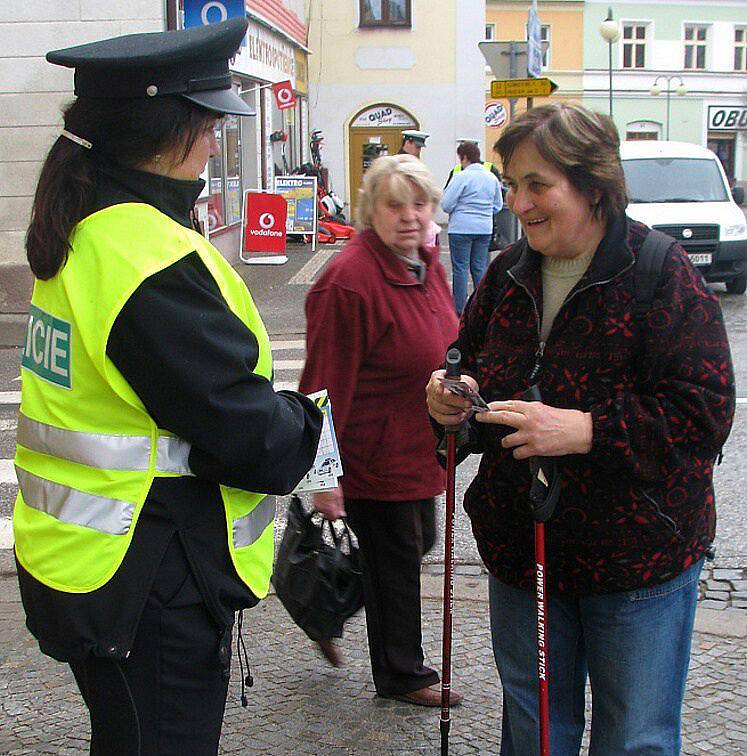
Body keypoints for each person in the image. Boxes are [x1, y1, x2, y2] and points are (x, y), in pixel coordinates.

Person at [14, 19, 322, 754]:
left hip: (95, 565)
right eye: (211, 125)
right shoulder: (150, 259)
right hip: (149, 579)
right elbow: (257, 445)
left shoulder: (88, 229)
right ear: (171, 130)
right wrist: (306, 420)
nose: (218, 142)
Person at [426, 103, 735, 753]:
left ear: (592, 185)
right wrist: (454, 403)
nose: (520, 202)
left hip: (636, 561)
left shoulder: (659, 273)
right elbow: (474, 367)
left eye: (537, 185)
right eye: (511, 184)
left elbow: (703, 414)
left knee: (634, 738)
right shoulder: (505, 274)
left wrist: (587, 429)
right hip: (522, 551)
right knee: (536, 731)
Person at [298, 154, 460, 707]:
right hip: (373, 454)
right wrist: (323, 477)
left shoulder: (424, 263)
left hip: (419, 451)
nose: (410, 216)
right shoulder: (348, 283)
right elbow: (320, 388)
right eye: (395, 205)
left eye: (420, 203)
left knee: (415, 548)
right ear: (370, 210)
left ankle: (325, 604)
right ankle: (402, 674)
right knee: (396, 563)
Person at [441, 140, 503, 315]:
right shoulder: (491, 177)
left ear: (465, 157)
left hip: (461, 227)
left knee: (460, 268)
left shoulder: (461, 176)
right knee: (479, 267)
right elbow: (497, 205)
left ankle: (460, 309)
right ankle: (482, 307)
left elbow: (446, 204)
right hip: (484, 228)